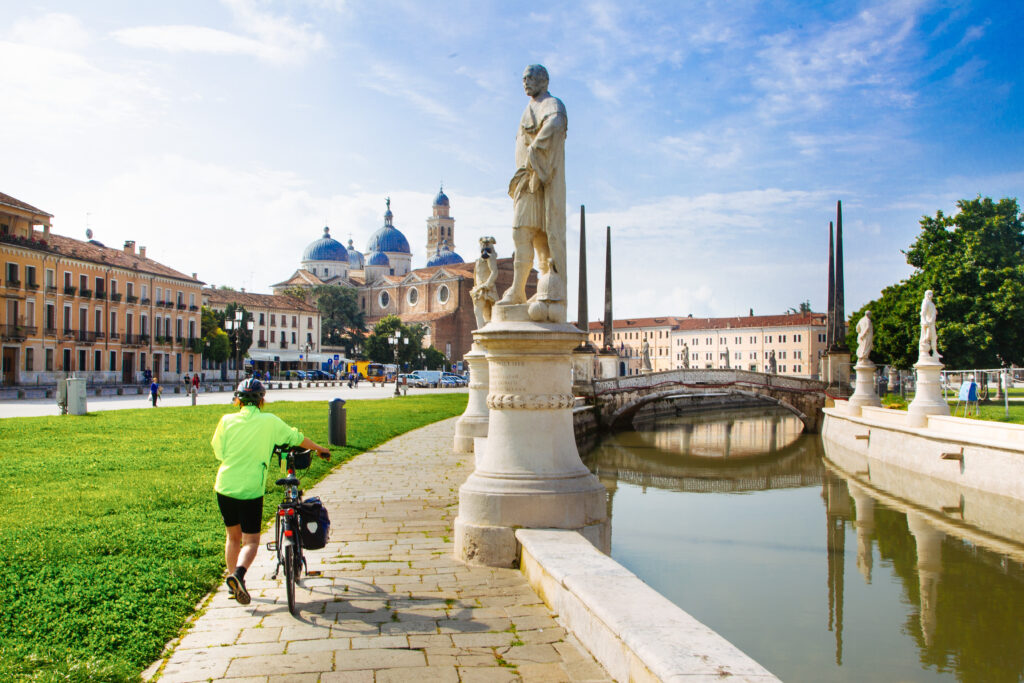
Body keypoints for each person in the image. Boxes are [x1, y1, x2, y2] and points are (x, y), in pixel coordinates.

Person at [211, 377, 330, 604]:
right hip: (250, 489)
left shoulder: (226, 421)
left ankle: (232, 584)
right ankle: (238, 574)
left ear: (237, 400)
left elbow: (218, 452)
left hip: (225, 486)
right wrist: (319, 448)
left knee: (232, 537)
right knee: (252, 541)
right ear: (262, 400)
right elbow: (297, 438)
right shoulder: (269, 421)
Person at [498, 64, 568, 322]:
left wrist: (534, 155)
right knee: (532, 235)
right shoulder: (531, 108)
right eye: (523, 78)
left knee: (528, 234)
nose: (525, 82)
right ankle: (530, 291)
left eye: (530, 78)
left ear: (544, 80)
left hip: (535, 179)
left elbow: (556, 124)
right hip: (526, 180)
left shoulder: (552, 105)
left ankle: (520, 290)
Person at [919, 290, 939, 359]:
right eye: (929, 293)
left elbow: (934, 312)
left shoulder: (931, 303)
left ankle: (935, 352)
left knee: (934, 337)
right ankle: (924, 352)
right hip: (928, 323)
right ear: (927, 294)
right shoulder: (925, 302)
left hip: (932, 323)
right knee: (926, 338)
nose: (931, 295)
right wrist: (924, 321)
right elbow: (923, 313)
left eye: (932, 293)